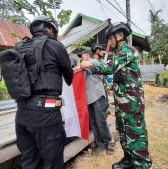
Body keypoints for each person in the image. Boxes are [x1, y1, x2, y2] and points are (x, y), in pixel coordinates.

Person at [81, 23, 152, 169]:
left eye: (110, 38)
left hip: (132, 103)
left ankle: (142, 164)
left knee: (135, 132)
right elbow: (110, 65)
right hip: (123, 102)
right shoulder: (118, 53)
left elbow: (109, 68)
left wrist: (88, 64)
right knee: (124, 131)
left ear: (119, 36)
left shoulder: (128, 51)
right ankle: (128, 159)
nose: (109, 42)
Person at [15, 15, 73, 169]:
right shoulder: (56, 45)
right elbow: (69, 77)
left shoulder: (20, 47)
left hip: (21, 115)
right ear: (49, 29)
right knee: (52, 162)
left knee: (29, 161)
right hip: (45, 115)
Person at [75, 45, 115, 156]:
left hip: (97, 96)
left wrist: (80, 66)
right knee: (93, 123)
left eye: (82, 56)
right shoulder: (82, 67)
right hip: (89, 99)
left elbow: (83, 65)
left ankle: (109, 142)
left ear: (87, 55)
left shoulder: (93, 62)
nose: (81, 59)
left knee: (100, 121)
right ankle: (100, 144)